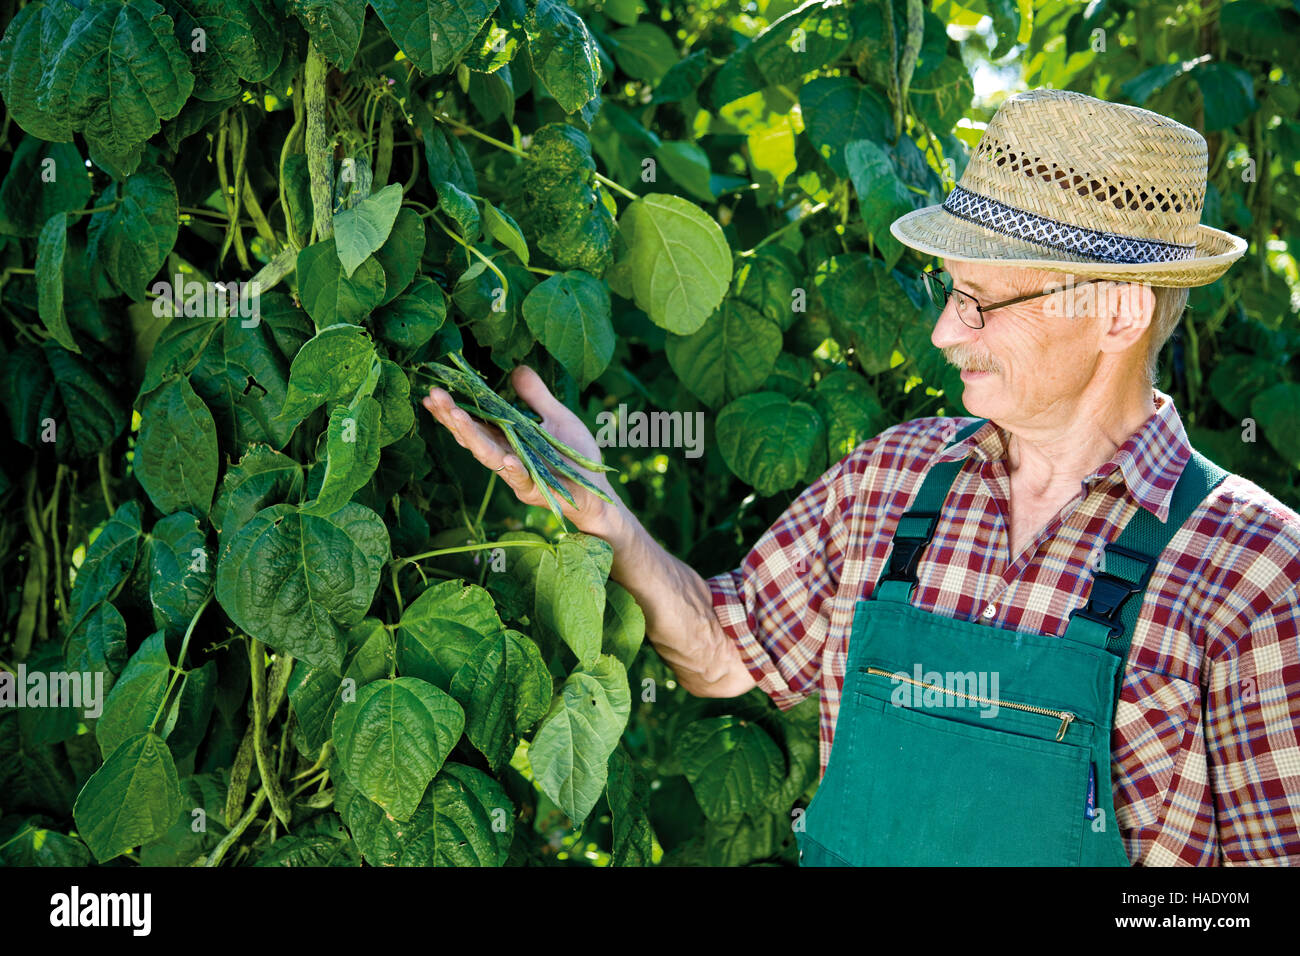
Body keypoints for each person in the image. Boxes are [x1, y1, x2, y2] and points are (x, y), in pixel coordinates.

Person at [421, 89, 1300, 866]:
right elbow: (726, 652)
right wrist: (603, 512)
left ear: (1116, 312)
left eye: (980, 301)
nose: (945, 335)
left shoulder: (1254, 571)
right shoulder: (893, 480)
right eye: (950, 291)